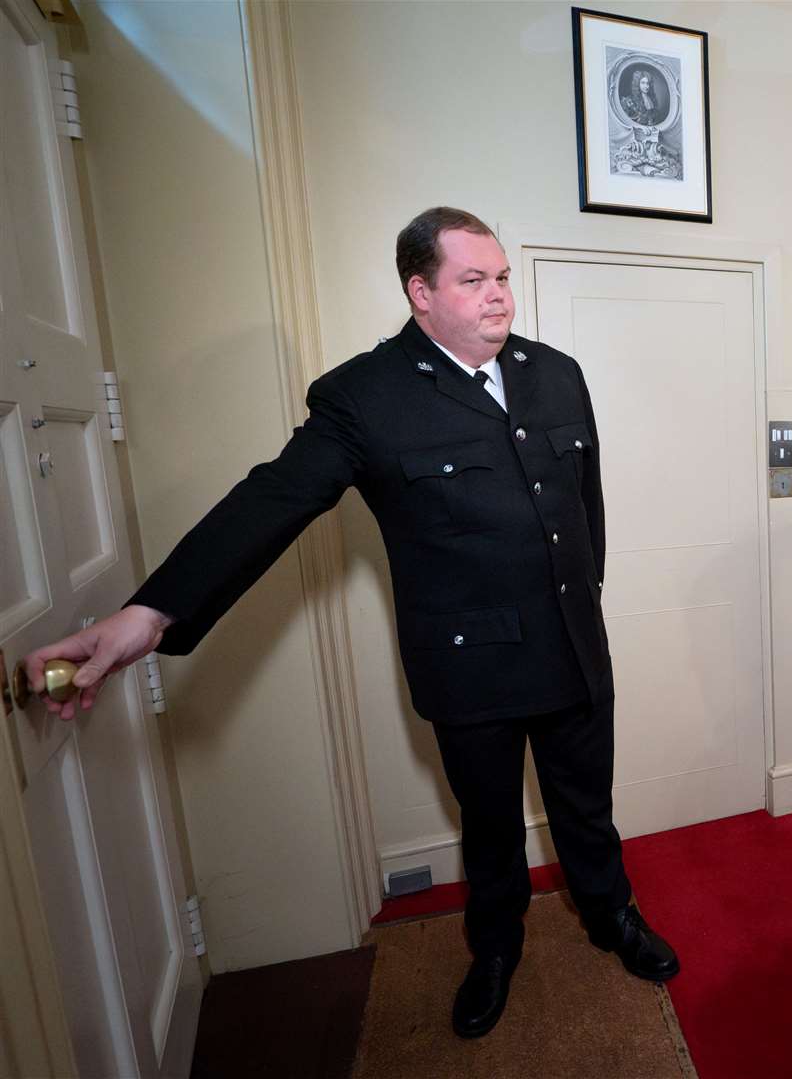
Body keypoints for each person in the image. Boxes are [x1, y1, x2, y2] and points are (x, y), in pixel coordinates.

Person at [23, 207, 678, 1040]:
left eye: (503, 277)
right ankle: (497, 949)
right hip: (471, 668)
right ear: (420, 292)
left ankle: (611, 915)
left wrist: (582, 601)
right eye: (472, 280)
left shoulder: (557, 373)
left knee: (587, 807)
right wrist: (150, 613)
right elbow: (273, 499)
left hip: (575, 650)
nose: (498, 297)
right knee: (488, 826)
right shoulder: (366, 398)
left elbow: (583, 514)